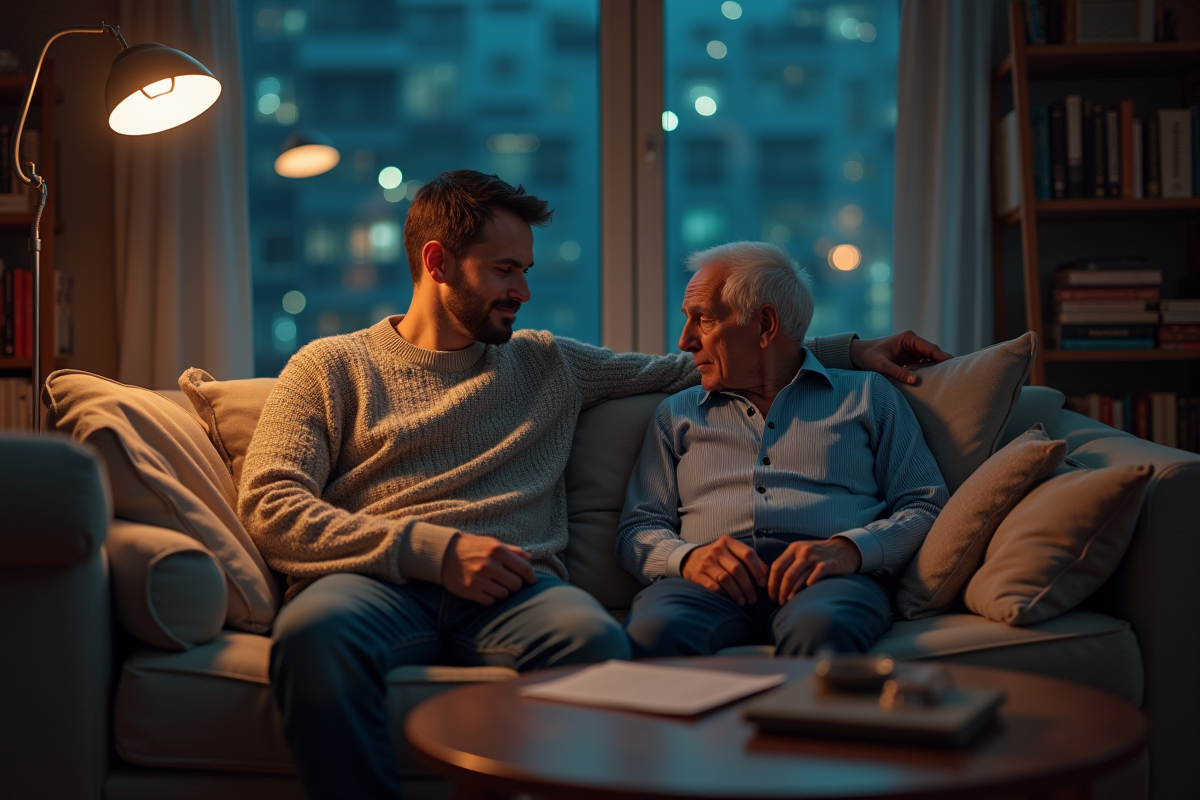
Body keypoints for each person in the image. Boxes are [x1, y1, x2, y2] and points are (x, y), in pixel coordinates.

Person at [238, 170, 951, 800]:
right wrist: (431, 551)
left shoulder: (549, 362)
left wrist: (852, 350)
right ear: (438, 263)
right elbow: (271, 503)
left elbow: (697, 364)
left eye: (527, 270)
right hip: (375, 581)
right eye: (505, 270)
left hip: (518, 588)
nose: (523, 291)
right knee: (310, 637)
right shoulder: (329, 366)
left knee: (599, 648)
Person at [616, 241, 949, 659]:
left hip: (828, 580)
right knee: (655, 634)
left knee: (823, 631)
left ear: (765, 324)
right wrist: (686, 560)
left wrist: (850, 549)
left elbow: (926, 504)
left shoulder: (868, 396)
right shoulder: (675, 414)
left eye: (703, 320)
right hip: (705, 584)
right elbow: (636, 529)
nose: (685, 341)